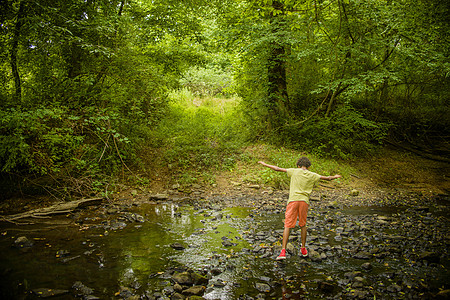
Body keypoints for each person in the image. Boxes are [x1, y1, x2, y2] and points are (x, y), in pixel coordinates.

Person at [258, 157, 342, 260]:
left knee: (287, 225)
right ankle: (303, 248)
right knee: (303, 225)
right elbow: (327, 178)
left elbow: (277, 168)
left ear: (298, 165)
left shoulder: (294, 171)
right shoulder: (312, 175)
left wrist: (264, 164)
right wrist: (336, 176)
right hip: (304, 202)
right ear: (309, 166)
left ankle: (283, 252)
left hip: (293, 201)